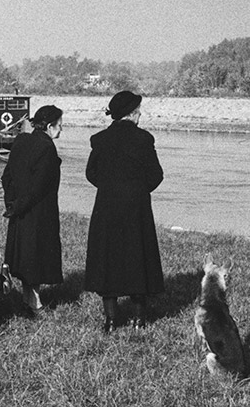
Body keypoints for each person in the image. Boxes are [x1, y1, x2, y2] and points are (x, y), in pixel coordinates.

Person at [84, 91, 164, 331]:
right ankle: (139, 319)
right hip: (136, 207)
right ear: (131, 113)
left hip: (107, 207)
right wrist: (137, 190)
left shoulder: (99, 139)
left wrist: (110, 188)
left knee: (107, 259)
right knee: (137, 257)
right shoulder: (144, 139)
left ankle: (110, 319)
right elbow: (156, 175)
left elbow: (91, 174)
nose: (140, 115)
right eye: (138, 111)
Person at [1, 105, 64, 312]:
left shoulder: (21, 141)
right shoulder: (46, 148)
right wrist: (20, 205)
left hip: (20, 210)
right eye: (59, 125)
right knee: (36, 255)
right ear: (48, 126)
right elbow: (39, 187)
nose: (61, 130)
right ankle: (35, 303)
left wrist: (12, 204)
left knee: (24, 255)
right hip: (39, 211)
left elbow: (6, 177)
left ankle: (27, 298)